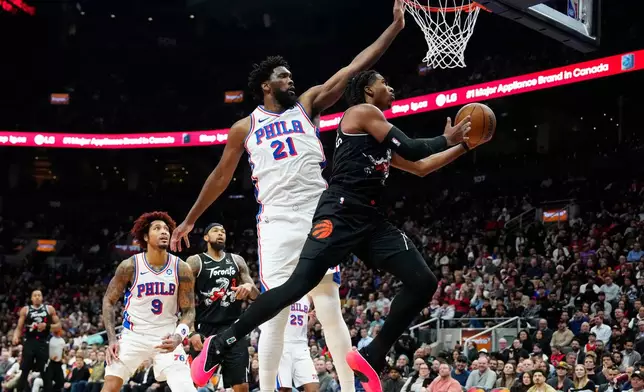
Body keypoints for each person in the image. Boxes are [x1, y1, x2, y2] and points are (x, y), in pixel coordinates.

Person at [190, 65, 477, 392]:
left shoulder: (377, 133)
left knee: (424, 281)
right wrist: (448, 138)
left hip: (369, 220)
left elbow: (422, 168)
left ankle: (373, 351)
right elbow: (412, 148)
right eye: (385, 82)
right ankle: (221, 343)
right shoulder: (362, 112)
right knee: (296, 288)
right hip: (338, 213)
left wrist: (464, 148)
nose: (392, 88)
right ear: (369, 91)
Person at [172, 2, 408, 392]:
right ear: (267, 84)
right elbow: (220, 177)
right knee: (275, 314)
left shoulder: (308, 104)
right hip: (278, 220)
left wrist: (395, 28)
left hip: (319, 213)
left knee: (329, 305)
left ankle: (350, 388)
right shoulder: (243, 127)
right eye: (284, 76)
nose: (291, 81)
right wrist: (192, 218)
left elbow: (352, 68)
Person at [101, 212, 197, 392]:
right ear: (145, 236)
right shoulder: (130, 266)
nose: (164, 232)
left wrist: (178, 336)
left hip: (167, 337)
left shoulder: (181, 268)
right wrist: (112, 339)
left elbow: (189, 311)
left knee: (186, 388)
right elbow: (108, 300)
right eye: (157, 228)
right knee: (110, 386)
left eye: (167, 229)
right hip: (133, 336)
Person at [186, 223, 259, 392]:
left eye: (223, 232)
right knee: (195, 383)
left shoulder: (236, 260)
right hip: (205, 329)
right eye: (215, 231)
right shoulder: (195, 261)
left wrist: (249, 288)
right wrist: (191, 332)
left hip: (234, 328)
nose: (220, 234)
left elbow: (256, 296)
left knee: (241, 385)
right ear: (206, 237)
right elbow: (185, 301)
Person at [12, 289, 61, 392]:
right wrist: (15, 336)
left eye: (39, 295)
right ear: (31, 298)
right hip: (29, 342)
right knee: (24, 371)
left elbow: (59, 326)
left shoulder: (49, 309)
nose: (37, 297)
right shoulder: (25, 310)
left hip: (43, 342)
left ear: (42, 297)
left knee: (45, 372)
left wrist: (46, 326)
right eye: (35, 295)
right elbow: (19, 327)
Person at [275, 296, 318, 392]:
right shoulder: (282, 291)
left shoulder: (308, 296)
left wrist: (311, 322)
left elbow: (299, 329)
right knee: (285, 389)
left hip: (301, 346)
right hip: (283, 345)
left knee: (313, 388)